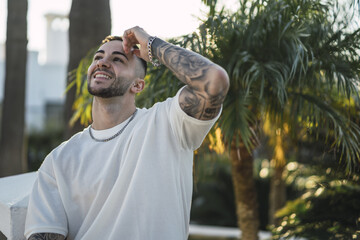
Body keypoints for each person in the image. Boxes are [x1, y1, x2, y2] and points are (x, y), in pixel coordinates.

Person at [24, 26, 229, 240]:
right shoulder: (59, 161)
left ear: (138, 85)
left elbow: (214, 80)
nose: (102, 62)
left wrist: (151, 45)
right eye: (98, 57)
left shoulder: (168, 124)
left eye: (118, 59)